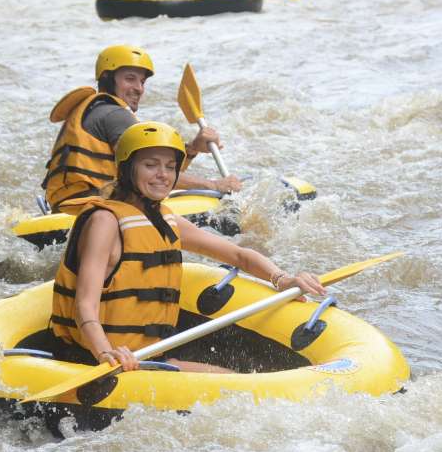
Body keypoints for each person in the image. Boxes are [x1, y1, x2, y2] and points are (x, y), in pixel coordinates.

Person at [48, 121, 326, 372]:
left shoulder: (165, 218)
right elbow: (85, 304)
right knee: (227, 382)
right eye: (151, 165)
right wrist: (105, 353)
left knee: (231, 379)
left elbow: (238, 255)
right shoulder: (104, 222)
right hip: (95, 359)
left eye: (170, 167)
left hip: (146, 355)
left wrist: (282, 278)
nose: (163, 175)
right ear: (126, 168)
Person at [42, 45, 243, 212]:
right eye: (130, 78)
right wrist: (215, 186)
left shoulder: (92, 108)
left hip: (67, 205)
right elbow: (156, 173)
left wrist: (191, 149)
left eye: (142, 81)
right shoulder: (115, 115)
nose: (139, 88)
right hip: (91, 207)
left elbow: (151, 169)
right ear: (107, 78)